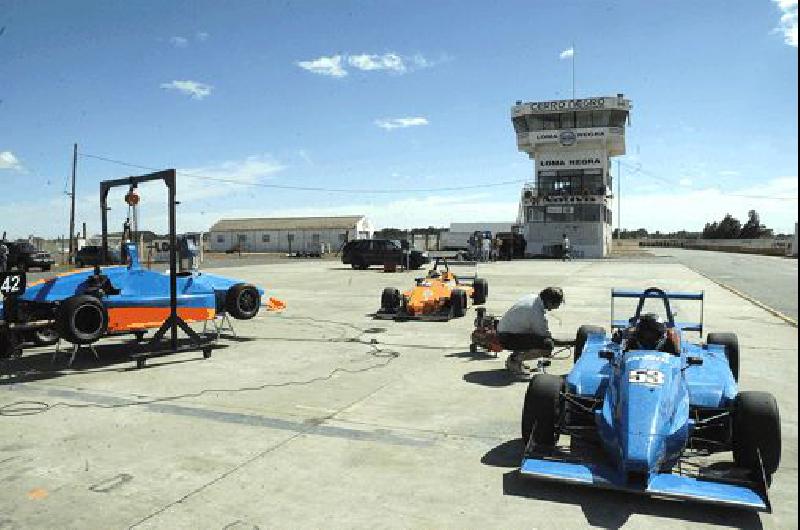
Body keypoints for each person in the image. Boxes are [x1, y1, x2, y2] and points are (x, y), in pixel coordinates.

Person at [497, 287, 573, 376]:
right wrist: (571, 342)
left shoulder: (532, 297)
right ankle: (515, 360)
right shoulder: (536, 312)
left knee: (533, 335)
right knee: (547, 346)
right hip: (507, 338)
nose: (557, 307)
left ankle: (516, 358)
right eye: (557, 304)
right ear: (549, 302)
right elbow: (547, 338)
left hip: (504, 331)